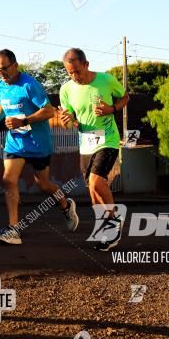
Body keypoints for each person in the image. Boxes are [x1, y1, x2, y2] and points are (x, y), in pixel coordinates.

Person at [0, 49, 79, 244]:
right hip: (15, 143)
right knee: (8, 179)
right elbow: (3, 104)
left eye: (4, 69)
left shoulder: (29, 85)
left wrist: (24, 120)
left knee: (43, 184)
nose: (1, 73)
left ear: (15, 65)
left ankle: (65, 204)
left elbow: (48, 111)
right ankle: (13, 229)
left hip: (38, 143)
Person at [58, 48, 129, 251]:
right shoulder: (66, 90)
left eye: (77, 71)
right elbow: (69, 120)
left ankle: (114, 219)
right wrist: (67, 120)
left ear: (86, 64)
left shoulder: (106, 80)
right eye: (70, 73)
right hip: (86, 142)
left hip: (108, 139)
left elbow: (125, 97)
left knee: (96, 181)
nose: (74, 76)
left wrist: (112, 109)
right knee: (93, 190)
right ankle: (107, 232)